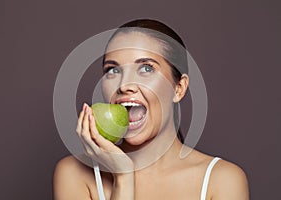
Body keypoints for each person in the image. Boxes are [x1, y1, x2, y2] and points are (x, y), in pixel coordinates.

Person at [53, 19, 249, 200]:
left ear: (179, 88)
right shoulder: (74, 174)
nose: (125, 85)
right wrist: (123, 177)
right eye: (113, 70)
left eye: (146, 68)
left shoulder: (222, 180)